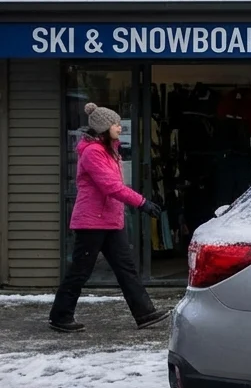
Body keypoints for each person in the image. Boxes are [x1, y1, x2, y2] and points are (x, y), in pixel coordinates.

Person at [49, 103, 171, 333]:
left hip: (111, 221)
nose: (119, 126)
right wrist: (143, 203)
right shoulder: (93, 153)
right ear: (104, 128)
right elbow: (111, 186)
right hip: (91, 221)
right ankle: (60, 316)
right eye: (115, 123)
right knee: (80, 271)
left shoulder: (110, 149)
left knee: (126, 268)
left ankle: (144, 313)